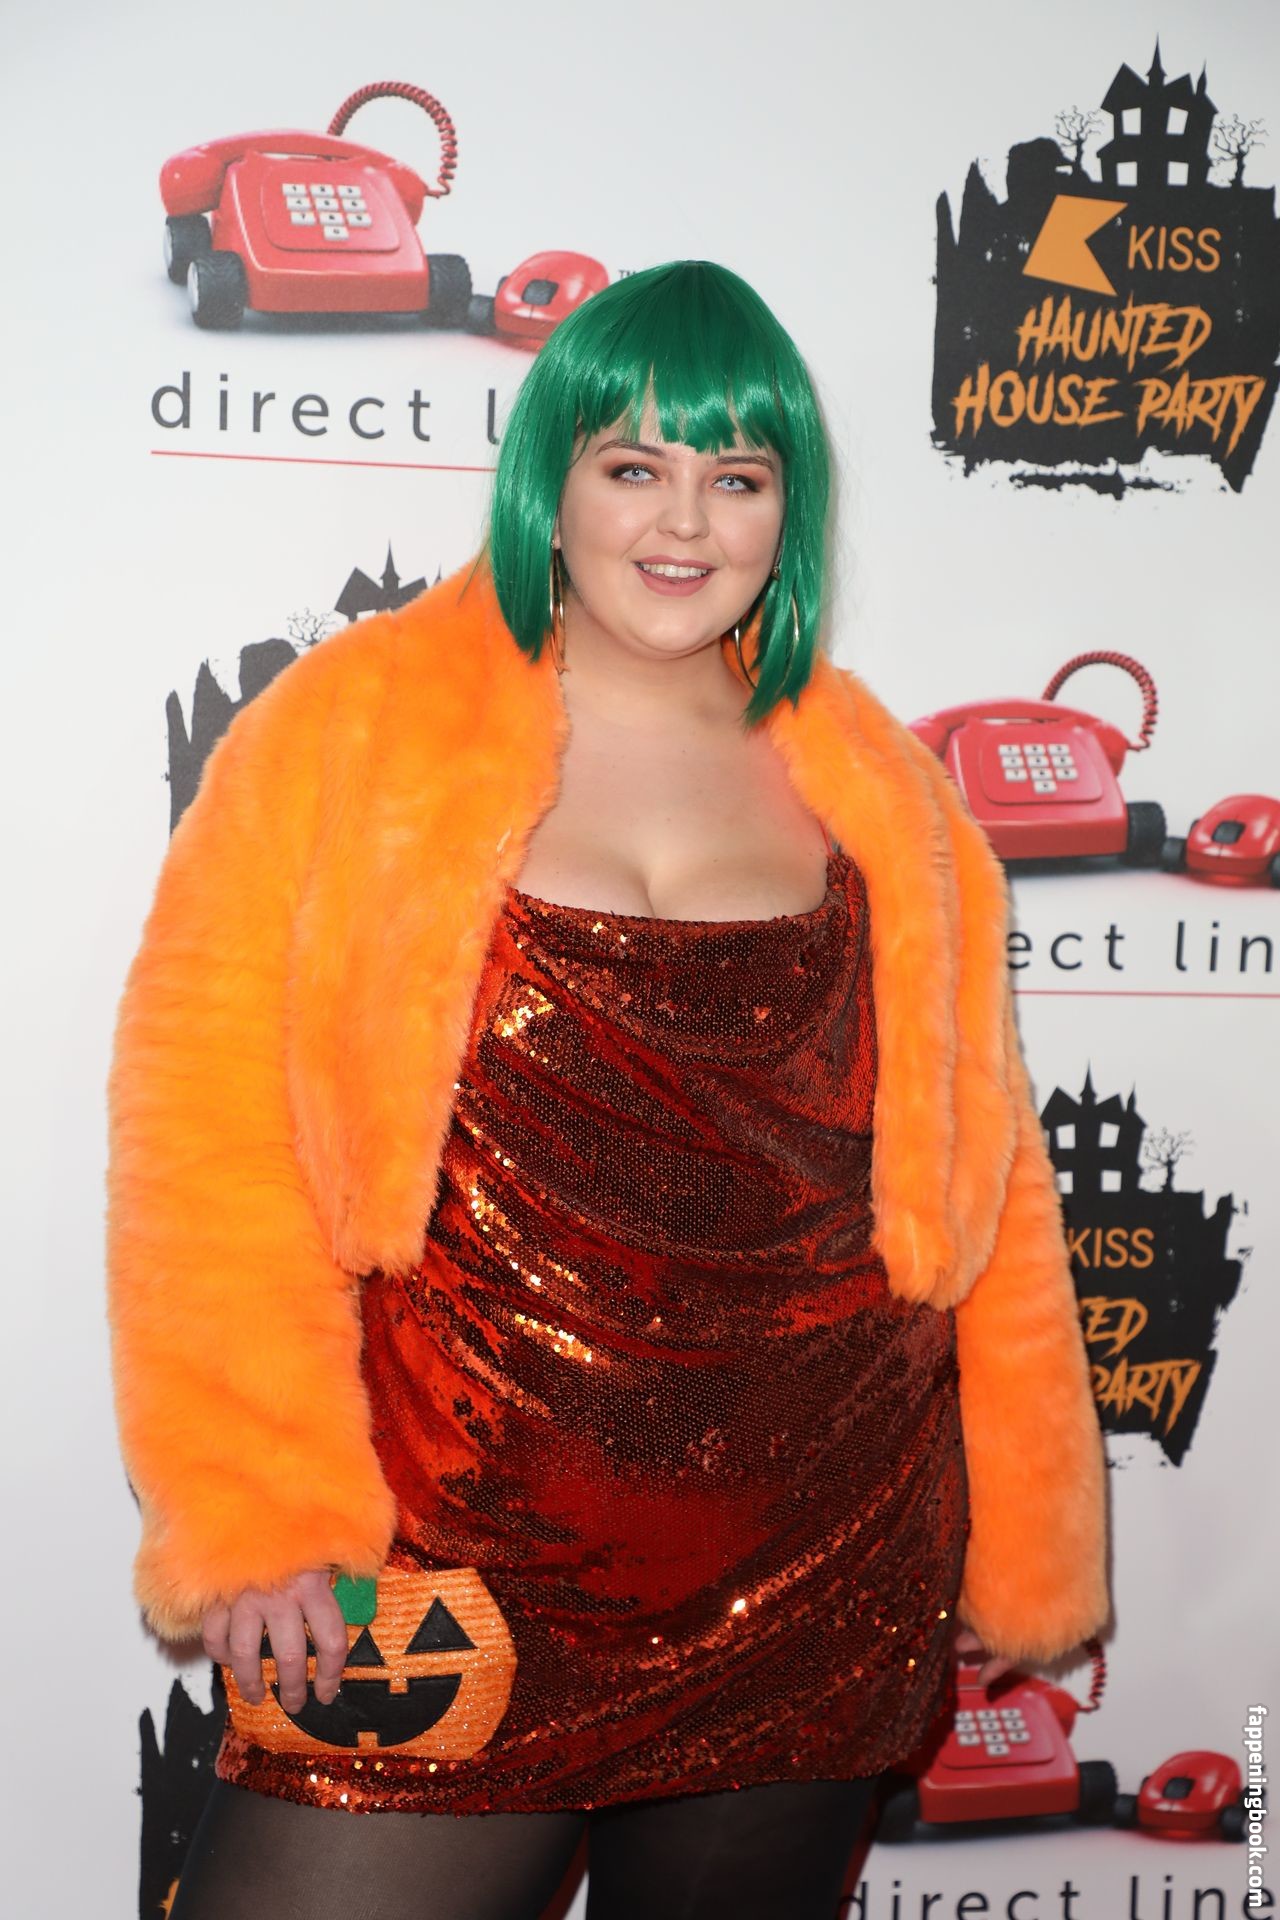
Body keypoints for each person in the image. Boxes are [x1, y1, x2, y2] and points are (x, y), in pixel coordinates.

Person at [105, 260, 1111, 1920]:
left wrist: (1026, 1545)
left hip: (817, 1554)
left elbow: (989, 1192)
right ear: (549, 484)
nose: (686, 521)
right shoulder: (349, 732)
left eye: (739, 475)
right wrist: (258, 1507)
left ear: (790, 509)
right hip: (451, 1562)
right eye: (634, 465)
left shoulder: (884, 784)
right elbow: (205, 1147)